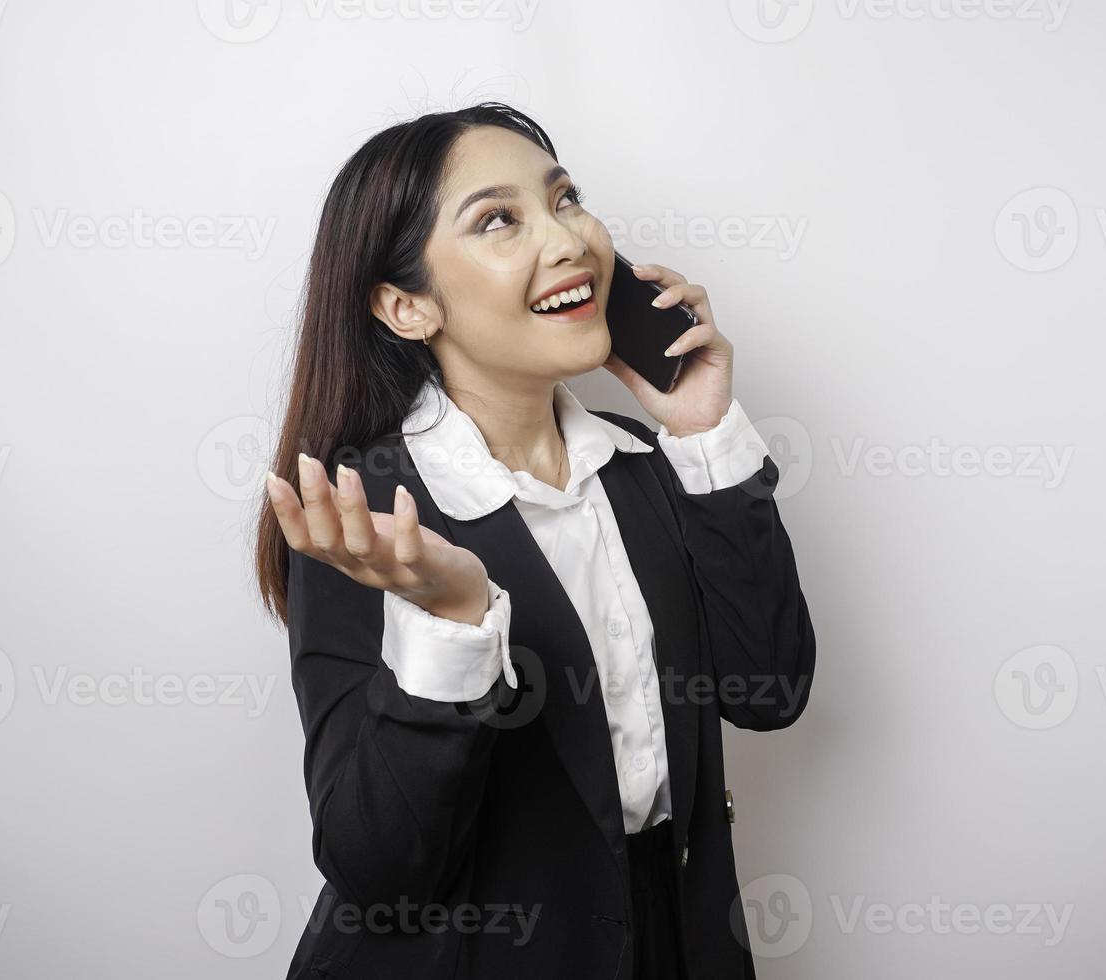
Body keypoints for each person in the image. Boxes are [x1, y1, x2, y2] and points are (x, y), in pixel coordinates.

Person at [255, 101, 817, 980]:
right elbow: (381, 871)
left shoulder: (642, 470)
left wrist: (705, 436)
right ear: (407, 306)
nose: (567, 241)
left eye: (564, 200)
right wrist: (451, 620)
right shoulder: (367, 517)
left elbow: (771, 689)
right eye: (498, 221)